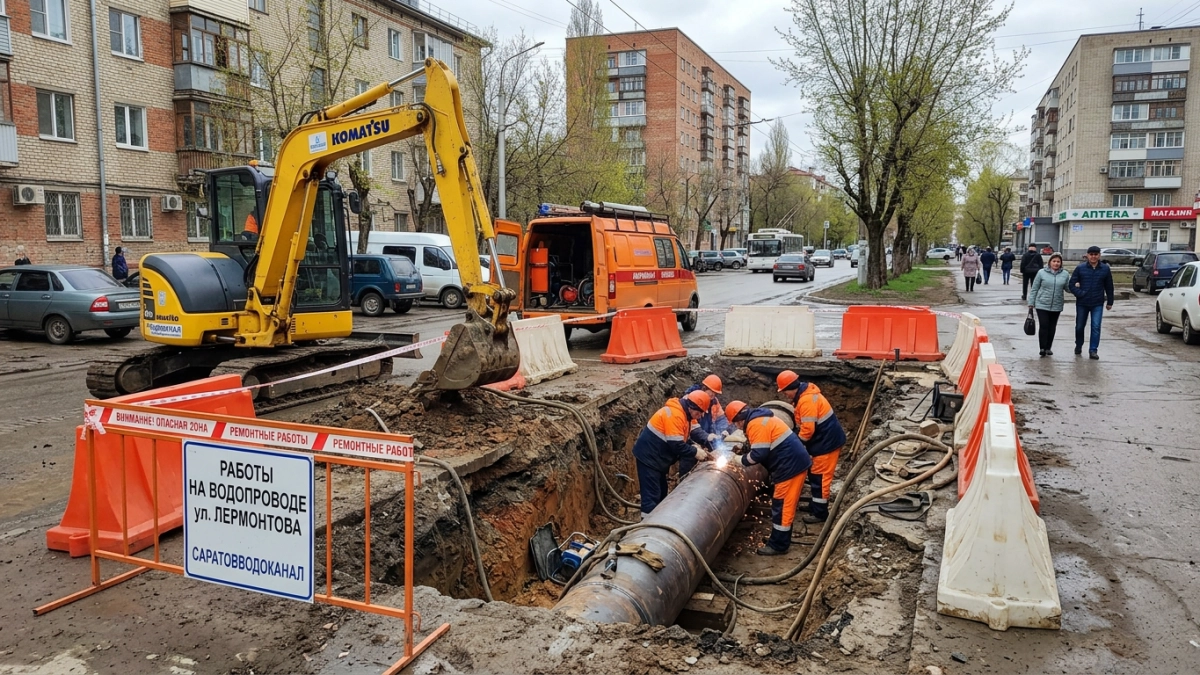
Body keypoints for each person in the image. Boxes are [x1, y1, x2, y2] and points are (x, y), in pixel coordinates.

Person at [725, 400, 812, 556]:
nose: (736, 427)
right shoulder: (759, 419)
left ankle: (779, 545)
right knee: (780, 504)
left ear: (739, 419)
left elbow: (759, 454)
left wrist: (740, 460)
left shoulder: (756, 424)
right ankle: (777, 539)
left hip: (791, 468)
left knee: (783, 506)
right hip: (790, 465)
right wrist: (744, 448)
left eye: (735, 423)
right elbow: (762, 442)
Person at [777, 371, 847, 523]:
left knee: (820, 479)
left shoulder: (807, 401)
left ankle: (820, 514)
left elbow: (808, 430)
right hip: (823, 441)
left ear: (791, 388)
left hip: (826, 445)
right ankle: (815, 505)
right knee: (815, 475)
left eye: (785, 392)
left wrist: (796, 446)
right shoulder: (804, 396)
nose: (785, 395)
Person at [631, 390, 713, 518]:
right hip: (649, 458)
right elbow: (676, 445)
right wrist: (695, 452)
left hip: (657, 459)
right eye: (699, 413)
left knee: (662, 494)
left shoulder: (684, 415)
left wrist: (692, 445)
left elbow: (681, 438)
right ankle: (646, 527)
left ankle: (658, 521)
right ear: (692, 408)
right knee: (652, 496)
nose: (700, 416)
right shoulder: (676, 415)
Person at [678, 374, 728, 477]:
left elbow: (721, 419)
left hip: (704, 439)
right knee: (688, 461)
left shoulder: (714, 402)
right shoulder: (691, 400)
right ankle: (684, 480)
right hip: (690, 440)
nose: (713, 396)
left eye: (715, 393)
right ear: (704, 388)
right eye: (711, 392)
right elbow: (693, 428)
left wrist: (723, 431)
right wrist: (706, 437)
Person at [1070, 245, 1114, 360]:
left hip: (1097, 302)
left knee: (1096, 326)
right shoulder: (1080, 268)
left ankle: (1093, 350)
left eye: (1096, 254)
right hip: (1082, 303)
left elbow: (1109, 286)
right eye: (1091, 254)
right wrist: (1080, 293)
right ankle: (1078, 345)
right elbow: (1071, 285)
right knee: (1080, 326)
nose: (1093, 257)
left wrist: (1110, 301)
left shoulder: (1105, 269)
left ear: (1099, 255)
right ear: (1087, 255)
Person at [1028, 253, 1070, 357]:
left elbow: (1068, 288)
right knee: (1044, 325)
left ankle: (1048, 348)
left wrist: (1077, 286)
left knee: (1052, 327)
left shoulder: (1065, 274)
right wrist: (1031, 303)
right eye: (1054, 261)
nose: (1056, 263)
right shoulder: (1041, 273)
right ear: (1049, 262)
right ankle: (1042, 347)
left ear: (1061, 263)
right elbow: (1034, 288)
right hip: (1042, 303)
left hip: (1057, 304)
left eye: (1058, 262)